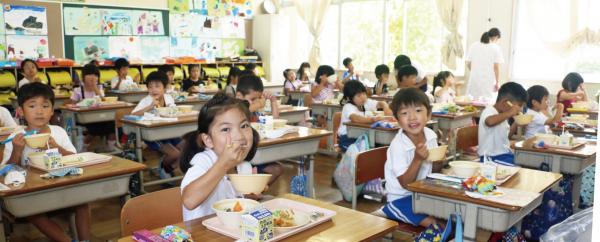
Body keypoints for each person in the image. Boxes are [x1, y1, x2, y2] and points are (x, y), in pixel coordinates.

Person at [2, 83, 90, 242]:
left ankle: (85, 240)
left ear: (51, 111)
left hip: (61, 186)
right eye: (32, 105)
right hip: (34, 193)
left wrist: (58, 148)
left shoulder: (58, 132)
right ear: (21, 111)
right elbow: (6, 170)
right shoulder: (17, 136)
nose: (39, 111)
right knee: (33, 214)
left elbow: (75, 158)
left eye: (45, 105)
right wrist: (17, 150)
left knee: (83, 203)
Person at [180, 94, 261, 221]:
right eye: (226, 129)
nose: (239, 136)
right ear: (208, 140)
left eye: (244, 126)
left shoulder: (243, 166)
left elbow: (238, 204)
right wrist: (224, 163)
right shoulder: (204, 161)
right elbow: (189, 201)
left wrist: (251, 196)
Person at [372, 87, 438, 228]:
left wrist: (441, 157)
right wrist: (417, 159)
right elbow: (405, 183)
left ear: (429, 114)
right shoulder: (398, 146)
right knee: (434, 224)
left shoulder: (431, 136)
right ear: (397, 119)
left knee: (453, 217)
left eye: (418, 111)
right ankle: (387, 211)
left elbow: (435, 168)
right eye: (404, 113)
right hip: (400, 199)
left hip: (422, 195)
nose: (412, 117)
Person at [131, 71, 181, 178]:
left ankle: (165, 167)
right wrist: (149, 107)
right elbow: (133, 115)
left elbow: (174, 111)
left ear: (165, 88)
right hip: (153, 135)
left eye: (157, 86)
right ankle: (164, 168)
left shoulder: (169, 98)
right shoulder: (146, 101)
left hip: (169, 132)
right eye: (150, 87)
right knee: (175, 154)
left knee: (187, 149)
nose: (153, 90)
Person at [69, 64, 116, 152]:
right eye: (89, 74)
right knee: (93, 130)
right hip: (84, 118)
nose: (92, 77)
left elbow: (103, 101)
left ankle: (110, 148)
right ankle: (84, 147)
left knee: (112, 125)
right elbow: (72, 105)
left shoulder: (99, 88)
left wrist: (95, 88)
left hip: (100, 116)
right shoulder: (78, 90)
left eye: (95, 75)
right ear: (83, 77)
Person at [478, 82, 527, 165]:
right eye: (518, 106)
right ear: (505, 102)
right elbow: (489, 122)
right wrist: (510, 113)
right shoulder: (489, 111)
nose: (519, 109)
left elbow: (507, 136)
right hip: (490, 158)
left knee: (528, 161)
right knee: (521, 166)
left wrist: (517, 122)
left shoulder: (502, 116)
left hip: (503, 154)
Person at [338, 81, 391, 152]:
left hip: (362, 135)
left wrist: (385, 105)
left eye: (363, 94)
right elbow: (355, 118)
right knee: (372, 148)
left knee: (382, 145)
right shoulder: (348, 107)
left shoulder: (365, 103)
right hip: (347, 137)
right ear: (349, 98)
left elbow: (380, 103)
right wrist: (372, 119)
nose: (363, 97)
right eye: (358, 95)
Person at [465, 28, 504, 100]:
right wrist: (497, 82)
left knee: (472, 102)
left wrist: (475, 71)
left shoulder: (474, 45)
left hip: (474, 80)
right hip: (488, 81)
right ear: (496, 37)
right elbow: (496, 67)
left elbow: (468, 63)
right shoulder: (496, 48)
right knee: (487, 104)